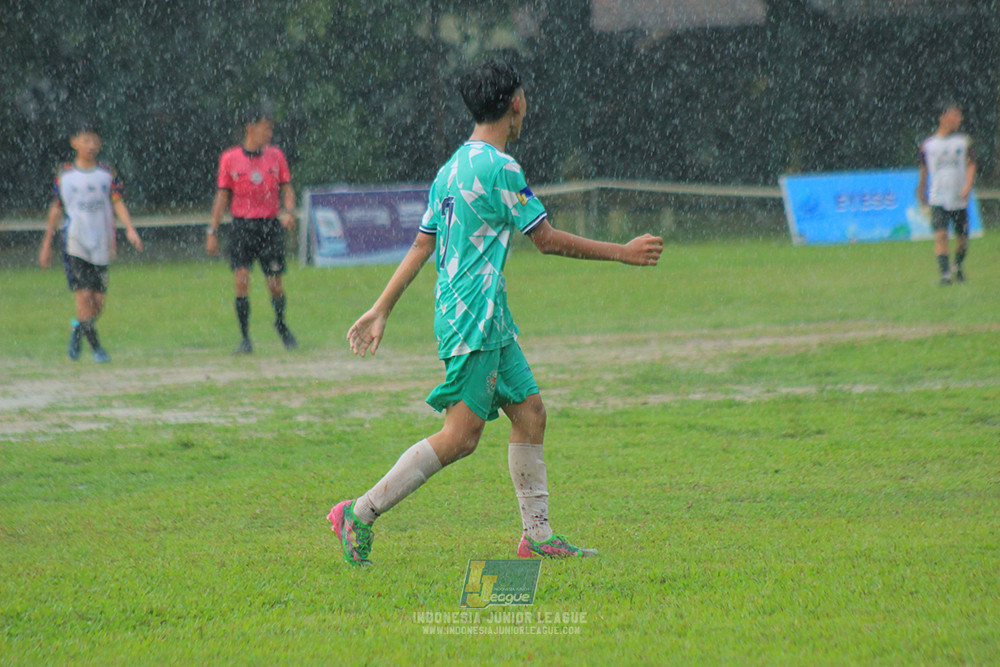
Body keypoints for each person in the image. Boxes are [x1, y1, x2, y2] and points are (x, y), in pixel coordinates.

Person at [329, 59, 664, 567]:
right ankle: (359, 512)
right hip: (473, 319)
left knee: (530, 414)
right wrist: (623, 251)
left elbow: (422, 246)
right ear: (516, 103)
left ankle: (538, 535)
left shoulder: (452, 169)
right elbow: (546, 240)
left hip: (484, 316)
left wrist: (381, 308)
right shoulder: (499, 168)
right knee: (460, 437)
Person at [38, 121, 144, 363]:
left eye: (95, 140)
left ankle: (79, 328)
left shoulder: (107, 173)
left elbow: (117, 201)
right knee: (83, 297)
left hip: (101, 243)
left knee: (98, 303)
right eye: (86, 140)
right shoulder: (65, 175)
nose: (91, 145)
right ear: (75, 143)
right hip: (75, 242)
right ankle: (97, 349)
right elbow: (57, 208)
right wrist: (46, 243)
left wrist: (130, 229)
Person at [207, 106, 298, 354]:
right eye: (265, 127)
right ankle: (245, 338)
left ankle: (280, 324)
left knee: (275, 284)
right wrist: (212, 231)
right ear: (251, 128)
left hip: (269, 226)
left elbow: (287, 188)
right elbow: (222, 197)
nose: (269, 133)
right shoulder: (230, 159)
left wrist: (289, 212)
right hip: (242, 227)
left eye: (271, 128)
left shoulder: (276, 156)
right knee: (241, 281)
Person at [917, 101, 976, 285]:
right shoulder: (928, 145)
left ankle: (957, 265)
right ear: (943, 118)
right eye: (954, 115)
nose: (958, 119)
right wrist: (921, 189)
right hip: (938, 197)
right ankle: (945, 274)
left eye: (959, 116)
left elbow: (972, 164)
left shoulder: (964, 141)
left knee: (962, 238)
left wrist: (967, 186)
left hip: (959, 198)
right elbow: (924, 169)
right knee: (941, 235)